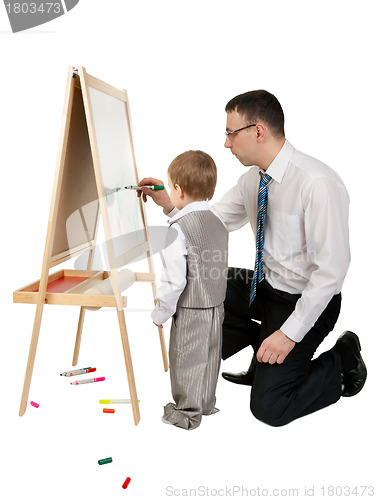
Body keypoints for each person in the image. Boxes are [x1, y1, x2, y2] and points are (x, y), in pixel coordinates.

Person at [139, 90, 367, 427]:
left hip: (303, 301)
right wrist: (171, 205)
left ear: (257, 131)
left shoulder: (317, 184)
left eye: (231, 133)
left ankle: (344, 354)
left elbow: (332, 272)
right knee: (198, 279)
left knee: (269, 407)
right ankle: (257, 345)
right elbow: (210, 223)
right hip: (264, 287)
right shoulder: (252, 181)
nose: (227, 144)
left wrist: (288, 334)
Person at [150, 150, 228, 430]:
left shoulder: (177, 230)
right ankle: (206, 403)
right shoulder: (217, 222)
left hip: (191, 309)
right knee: (209, 358)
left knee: (186, 360)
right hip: (216, 306)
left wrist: (160, 312)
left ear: (178, 190)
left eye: (170, 188)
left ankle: (186, 412)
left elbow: (174, 281)